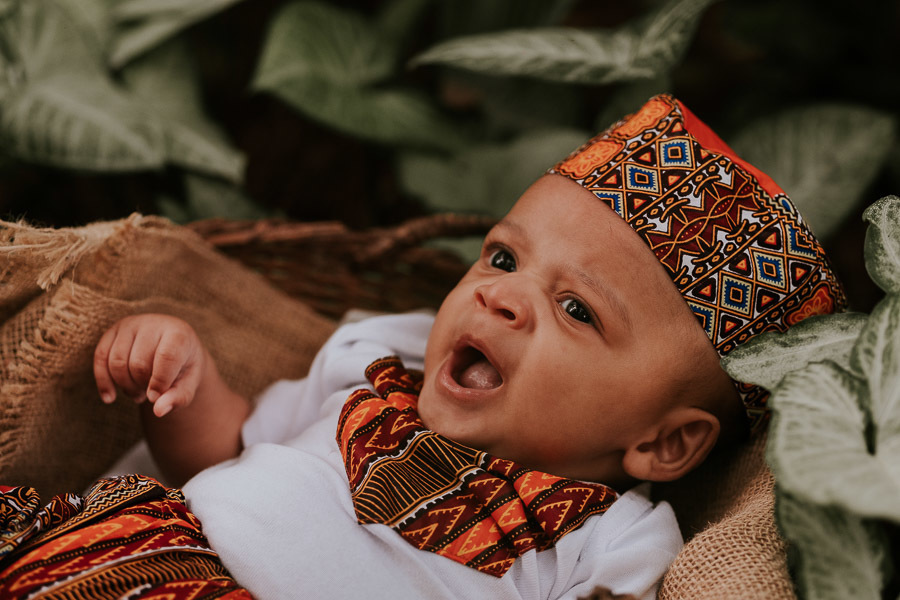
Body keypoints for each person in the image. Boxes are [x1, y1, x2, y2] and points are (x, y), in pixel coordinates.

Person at [92, 94, 847, 600]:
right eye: (503, 258)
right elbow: (222, 451)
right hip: (136, 552)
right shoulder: (377, 363)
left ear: (665, 443)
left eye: (577, 309)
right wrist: (179, 378)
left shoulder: (605, 540)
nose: (501, 295)